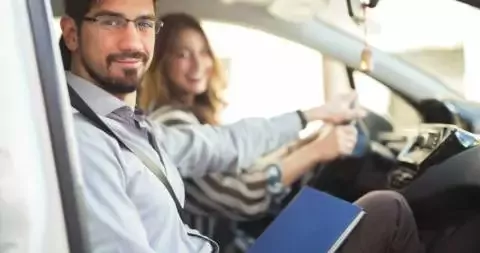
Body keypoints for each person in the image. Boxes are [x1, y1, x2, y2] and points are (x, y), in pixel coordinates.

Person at [59, 0, 429, 252]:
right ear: (72, 34)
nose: (132, 40)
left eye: (143, 24)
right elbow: (243, 195)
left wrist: (309, 117)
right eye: (110, 21)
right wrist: (315, 148)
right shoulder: (83, 140)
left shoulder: (131, 126)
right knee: (388, 209)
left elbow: (225, 143)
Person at [137, 12, 360, 249]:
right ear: (160, 62)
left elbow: (242, 163)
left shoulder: (186, 116)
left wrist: (303, 145)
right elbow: (243, 196)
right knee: (379, 211)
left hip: (231, 241)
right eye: (183, 54)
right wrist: (315, 152)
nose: (198, 63)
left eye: (203, 52)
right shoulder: (171, 123)